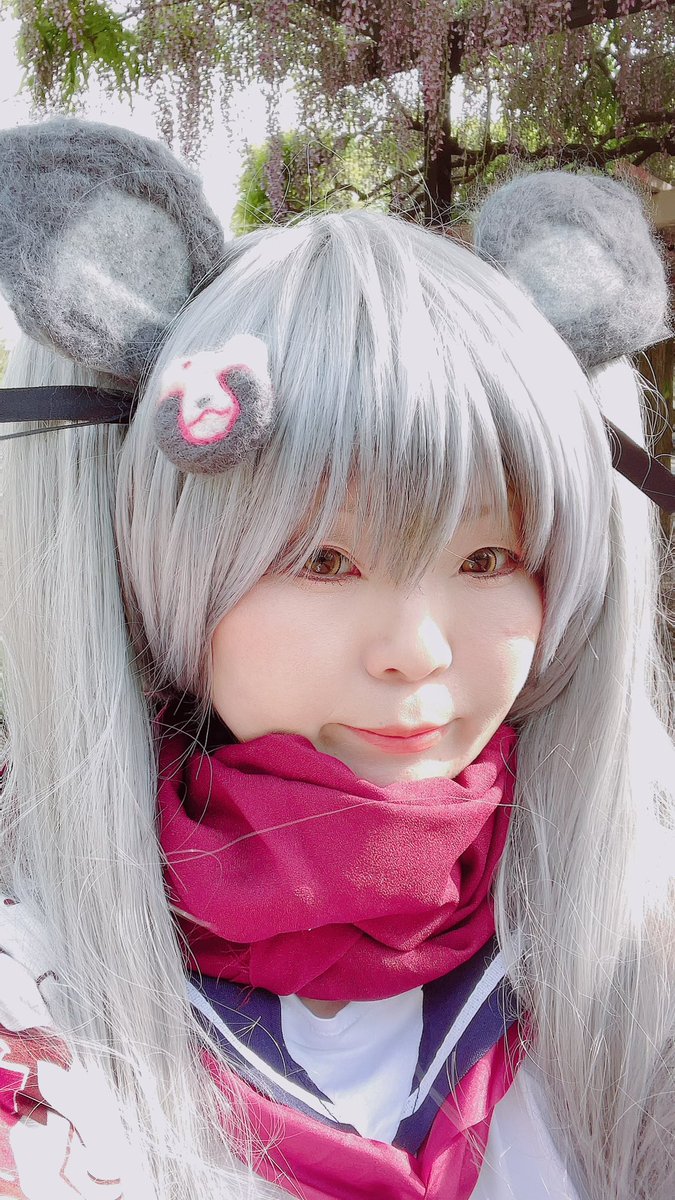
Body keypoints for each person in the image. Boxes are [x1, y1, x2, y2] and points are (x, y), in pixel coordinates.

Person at [0, 117, 673, 1200]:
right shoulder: (36, 998)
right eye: (324, 560)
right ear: (164, 565)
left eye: (489, 556)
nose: (417, 651)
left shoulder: (635, 958)